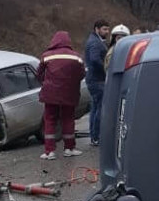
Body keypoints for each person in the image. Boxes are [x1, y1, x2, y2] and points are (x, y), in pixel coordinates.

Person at [38, 31, 85, 160]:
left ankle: (49, 151)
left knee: (50, 120)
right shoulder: (77, 57)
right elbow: (81, 74)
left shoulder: (46, 56)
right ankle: (69, 148)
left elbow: (39, 74)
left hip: (50, 94)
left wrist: (47, 83)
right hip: (69, 93)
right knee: (68, 119)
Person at [85, 19, 110, 147]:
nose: (107, 31)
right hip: (97, 80)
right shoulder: (95, 43)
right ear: (97, 29)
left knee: (95, 108)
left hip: (94, 79)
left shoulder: (95, 40)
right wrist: (106, 68)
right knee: (99, 109)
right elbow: (95, 59)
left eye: (107, 29)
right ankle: (96, 136)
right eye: (104, 29)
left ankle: (94, 136)